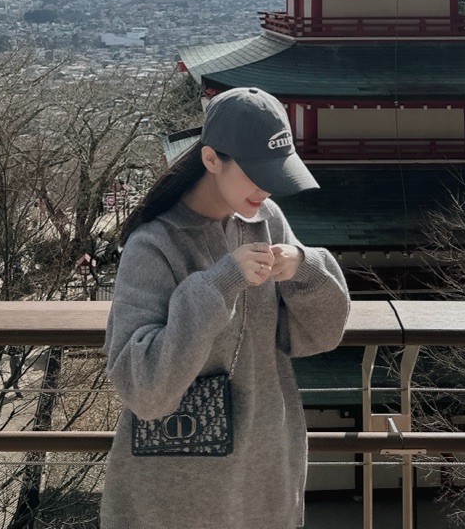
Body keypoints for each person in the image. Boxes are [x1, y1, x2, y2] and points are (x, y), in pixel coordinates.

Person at [101, 86, 350, 529]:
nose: (267, 186)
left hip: (265, 472)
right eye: (256, 172)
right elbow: (145, 391)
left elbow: (321, 335)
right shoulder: (153, 246)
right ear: (211, 159)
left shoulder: (266, 220)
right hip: (176, 490)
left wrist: (308, 269)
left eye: (277, 172)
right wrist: (218, 284)